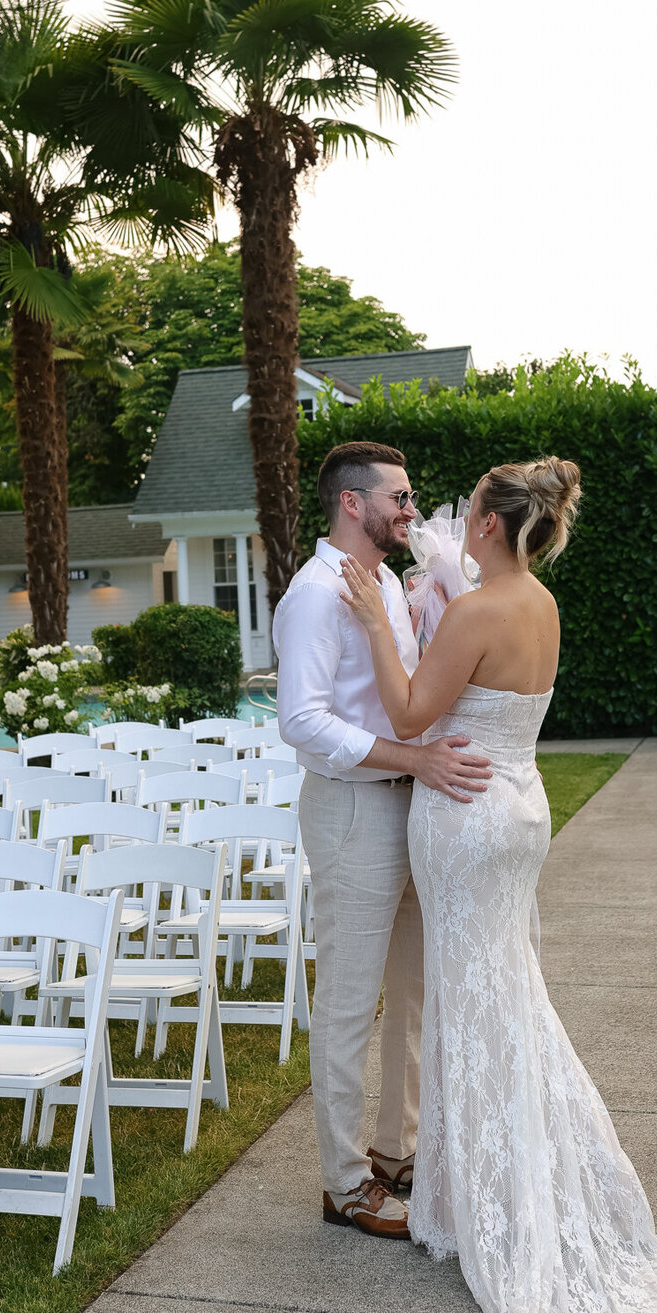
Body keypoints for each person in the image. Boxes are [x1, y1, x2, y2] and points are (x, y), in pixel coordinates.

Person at [339, 458, 657, 1313]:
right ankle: (485, 1182)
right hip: (518, 803)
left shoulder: (478, 610)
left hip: (467, 816)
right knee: (502, 993)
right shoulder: (537, 603)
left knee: (479, 1002)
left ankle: (498, 1199)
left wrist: (380, 620)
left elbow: (412, 715)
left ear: (487, 524)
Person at [273, 440, 494, 1240]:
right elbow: (301, 720)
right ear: (352, 504)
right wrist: (415, 759)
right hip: (354, 812)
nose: (412, 509)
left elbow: (401, 692)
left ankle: (396, 1152)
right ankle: (343, 1184)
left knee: (411, 991)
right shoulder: (314, 595)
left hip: (412, 809)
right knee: (347, 1004)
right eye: (398, 498)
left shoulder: (386, 590)